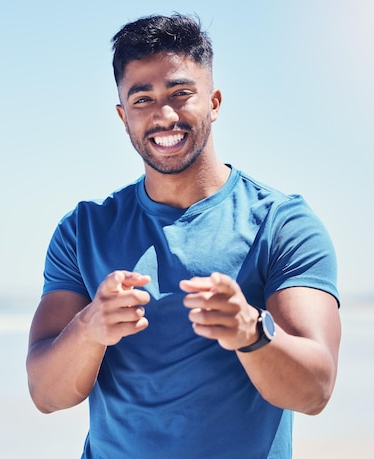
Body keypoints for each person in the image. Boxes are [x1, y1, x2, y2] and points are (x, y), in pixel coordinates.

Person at [26, 13, 340, 459]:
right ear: (122, 116)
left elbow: (315, 390)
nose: (164, 115)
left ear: (213, 101)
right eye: (142, 100)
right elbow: (45, 394)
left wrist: (250, 331)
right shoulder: (83, 230)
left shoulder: (282, 224)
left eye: (180, 93)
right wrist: (89, 328)